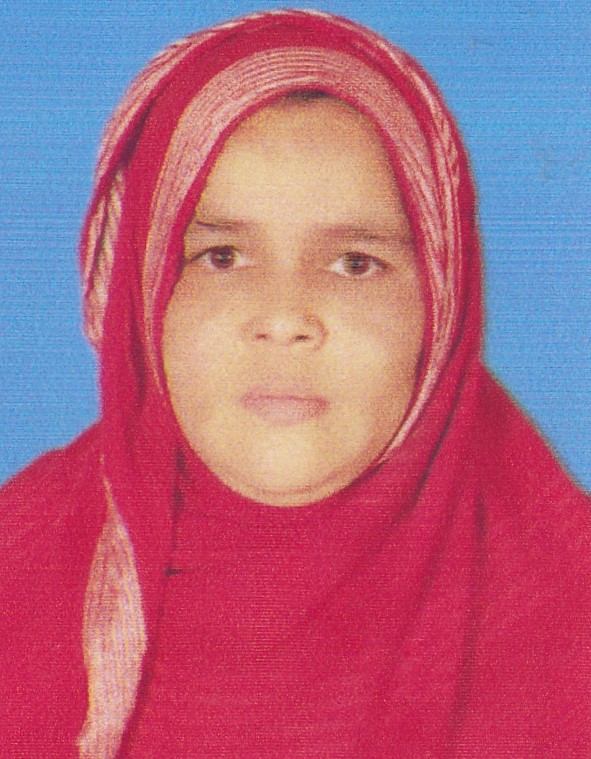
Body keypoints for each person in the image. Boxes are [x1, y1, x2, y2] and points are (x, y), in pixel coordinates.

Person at [1, 9, 589, 758]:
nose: (284, 319)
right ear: (139, 294)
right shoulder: (17, 572)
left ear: (441, 307)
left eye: (354, 264)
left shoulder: (567, 612)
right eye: (220, 257)